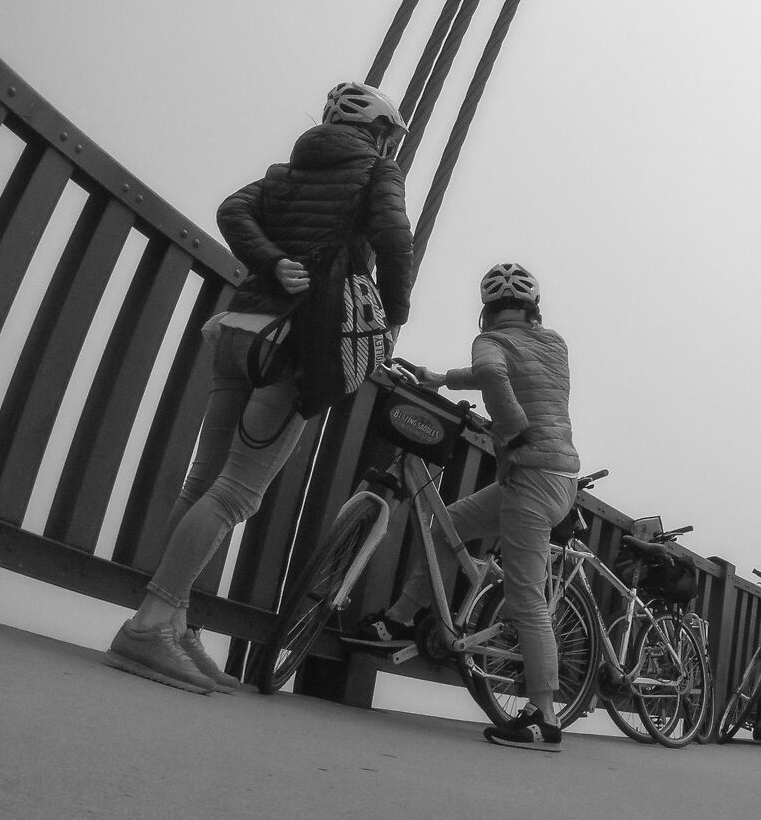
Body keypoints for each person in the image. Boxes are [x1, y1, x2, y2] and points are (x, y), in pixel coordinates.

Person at [110, 83, 413, 695]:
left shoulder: (284, 172)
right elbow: (394, 237)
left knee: (204, 479)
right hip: (294, 344)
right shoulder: (379, 169)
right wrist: (396, 308)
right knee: (235, 495)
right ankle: (149, 624)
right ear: (379, 132)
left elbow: (231, 210)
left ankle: (174, 619)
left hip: (236, 331)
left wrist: (271, 261)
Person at [373, 261, 580, 752]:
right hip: (559, 477)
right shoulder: (553, 343)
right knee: (448, 526)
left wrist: (509, 428)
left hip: (529, 476)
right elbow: (500, 369)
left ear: (486, 312)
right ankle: (403, 616)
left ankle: (542, 718)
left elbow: (491, 370)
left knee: (526, 597)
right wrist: (440, 378)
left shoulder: (488, 342)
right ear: (533, 309)